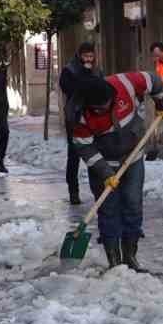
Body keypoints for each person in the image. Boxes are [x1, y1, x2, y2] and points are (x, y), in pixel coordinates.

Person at [68, 69, 163, 271]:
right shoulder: (80, 115)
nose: (105, 108)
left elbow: (153, 80)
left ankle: (130, 257)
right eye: (99, 108)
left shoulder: (123, 84)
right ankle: (114, 261)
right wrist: (105, 173)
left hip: (133, 156)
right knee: (108, 209)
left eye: (108, 104)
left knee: (133, 203)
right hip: (103, 164)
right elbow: (83, 146)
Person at [60, 41, 105, 205]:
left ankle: (98, 189)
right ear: (79, 56)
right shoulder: (69, 70)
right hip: (76, 116)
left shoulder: (97, 70)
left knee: (95, 154)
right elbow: (68, 89)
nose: (89, 59)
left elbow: (102, 87)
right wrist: (85, 77)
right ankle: (73, 191)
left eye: (91, 56)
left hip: (94, 115)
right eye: (86, 56)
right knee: (74, 154)